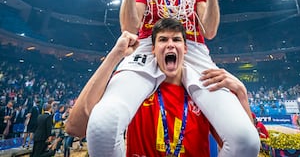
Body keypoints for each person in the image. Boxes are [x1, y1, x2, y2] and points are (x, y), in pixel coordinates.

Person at [83, 0, 259, 157]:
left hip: (192, 49)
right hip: (148, 48)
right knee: (102, 126)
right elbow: (129, 28)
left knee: (246, 141)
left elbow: (210, 31)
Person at [66, 18, 254, 156]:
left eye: (177, 40)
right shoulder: (134, 89)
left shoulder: (204, 92)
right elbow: (76, 128)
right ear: (153, 49)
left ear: (185, 49)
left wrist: (242, 95)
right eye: (163, 40)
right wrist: (115, 56)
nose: (170, 45)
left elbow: (244, 145)